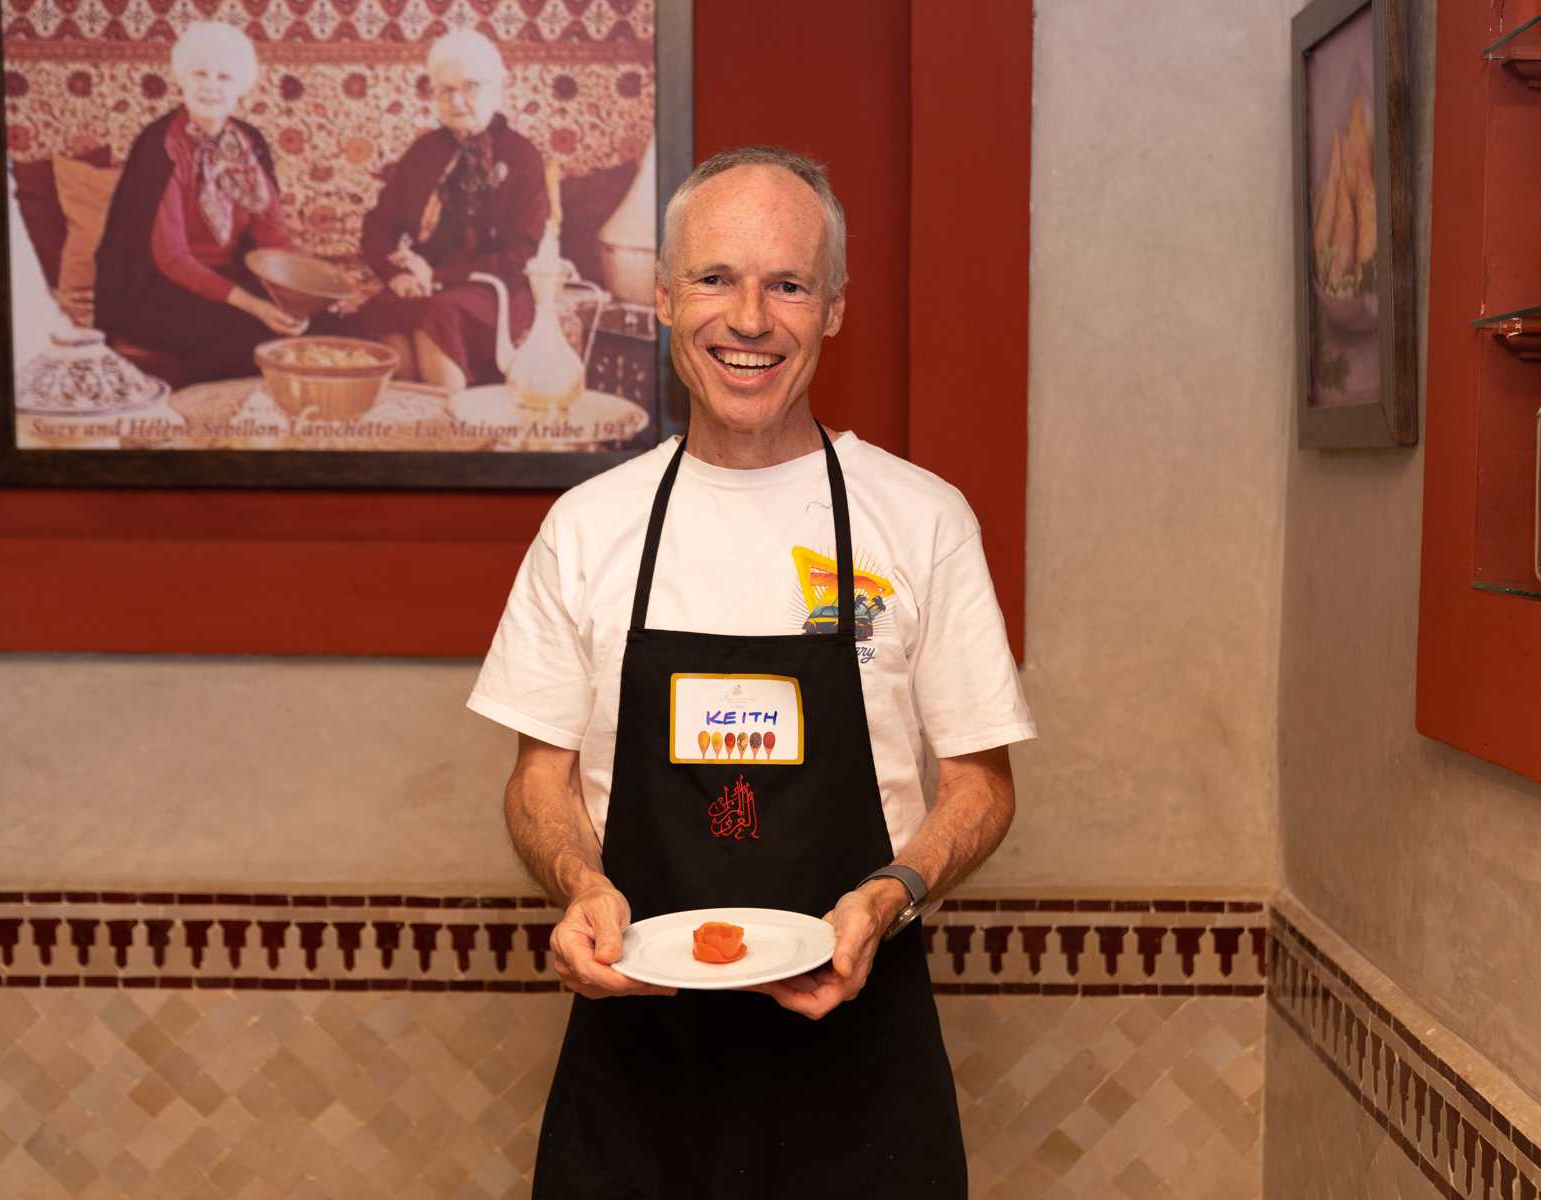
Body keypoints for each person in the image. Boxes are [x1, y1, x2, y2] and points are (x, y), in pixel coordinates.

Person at [468, 146, 1036, 1199]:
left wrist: (888, 897)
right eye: (717, 279)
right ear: (663, 294)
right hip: (633, 1089)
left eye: (787, 283)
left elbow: (983, 785)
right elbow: (536, 780)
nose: (749, 318)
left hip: (861, 1090)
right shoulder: (590, 528)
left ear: (833, 310)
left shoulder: (920, 521)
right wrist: (580, 884)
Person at [94, 22, 310, 385]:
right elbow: (172, 258)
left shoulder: (249, 141)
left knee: (321, 327)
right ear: (182, 78)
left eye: (224, 77)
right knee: (239, 336)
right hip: (156, 290)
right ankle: (208, 428)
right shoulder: (160, 145)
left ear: (241, 86)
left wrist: (305, 296)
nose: (210, 86)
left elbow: (274, 239)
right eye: (200, 74)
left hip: (232, 278)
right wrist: (255, 305)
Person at [351, 30, 549, 394]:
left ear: (496, 88)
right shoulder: (424, 151)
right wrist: (395, 275)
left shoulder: (523, 158)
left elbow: (518, 257)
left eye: (470, 87)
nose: (456, 100)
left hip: (496, 288)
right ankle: (413, 433)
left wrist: (437, 277)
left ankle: (453, 432)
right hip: (428, 283)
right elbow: (378, 222)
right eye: (444, 90)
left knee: (436, 314)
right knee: (384, 308)